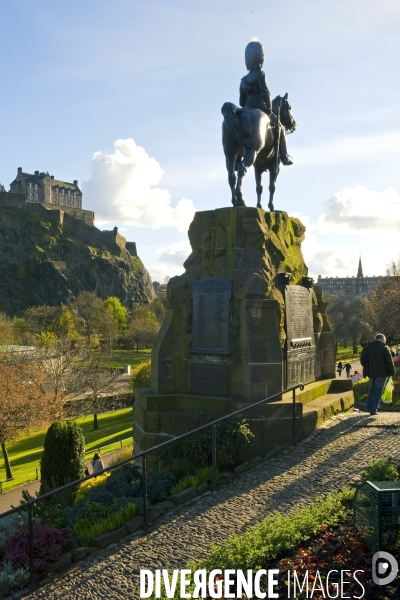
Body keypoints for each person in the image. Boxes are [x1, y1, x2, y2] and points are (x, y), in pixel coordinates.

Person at [239, 41, 293, 166]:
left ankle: (237, 158)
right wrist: (269, 108)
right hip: (261, 108)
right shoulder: (261, 75)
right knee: (279, 127)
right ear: (259, 58)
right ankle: (284, 156)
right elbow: (265, 92)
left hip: (246, 109)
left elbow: (241, 102)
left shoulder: (243, 80)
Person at [360, 333, 394, 416]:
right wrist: (392, 372)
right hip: (382, 373)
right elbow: (389, 361)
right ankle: (373, 409)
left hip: (371, 373)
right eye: (384, 340)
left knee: (371, 390)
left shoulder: (367, 348)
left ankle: (369, 407)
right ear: (382, 339)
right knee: (378, 391)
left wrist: (367, 367)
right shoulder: (384, 348)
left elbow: (362, 360)